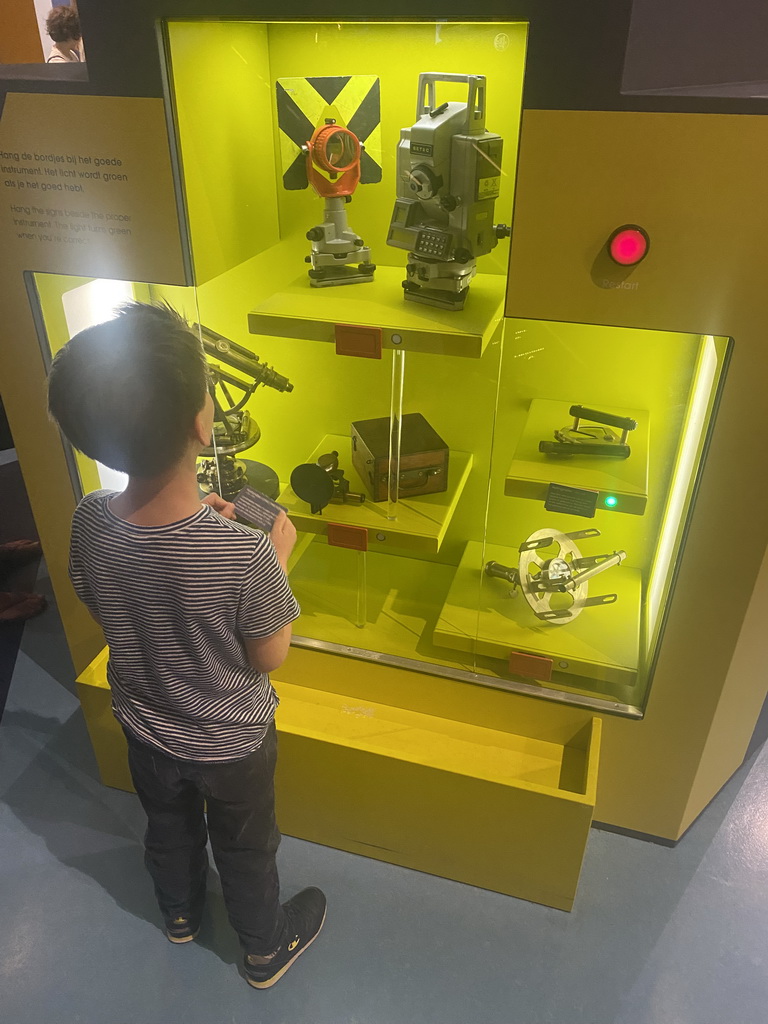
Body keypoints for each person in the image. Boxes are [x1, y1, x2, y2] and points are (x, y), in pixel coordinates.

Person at [46, 302, 325, 989]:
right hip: (232, 745)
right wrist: (276, 557)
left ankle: (179, 913)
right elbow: (269, 654)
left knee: (167, 830)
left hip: (146, 728)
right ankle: (264, 949)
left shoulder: (88, 521)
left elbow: (103, 596)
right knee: (246, 846)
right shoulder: (245, 555)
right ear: (204, 425)